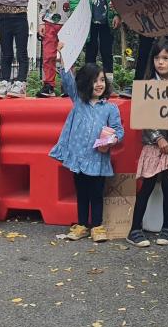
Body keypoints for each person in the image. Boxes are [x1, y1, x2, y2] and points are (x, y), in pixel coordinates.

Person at [48, 51, 124, 243]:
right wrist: (63, 56)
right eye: (94, 80)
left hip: (98, 158)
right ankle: (82, 225)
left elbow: (118, 130)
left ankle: (97, 227)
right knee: (81, 192)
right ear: (84, 83)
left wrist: (112, 139)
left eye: (102, 80)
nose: (99, 84)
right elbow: (67, 78)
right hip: (79, 158)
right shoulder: (78, 101)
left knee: (97, 193)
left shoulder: (110, 108)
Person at [126, 38, 168, 248]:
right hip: (154, 145)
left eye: (165, 58)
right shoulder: (148, 86)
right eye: (157, 58)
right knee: (147, 185)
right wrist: (158, 138)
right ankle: (135, 228)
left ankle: (167, 228)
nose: (160, 62)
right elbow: (145, 116)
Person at [38, 0, 78, 97]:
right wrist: (41, 20)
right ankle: (48, 85)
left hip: (69, 22)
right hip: (50, 20)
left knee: (68, 56)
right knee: (48, 54)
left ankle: (68, 86)